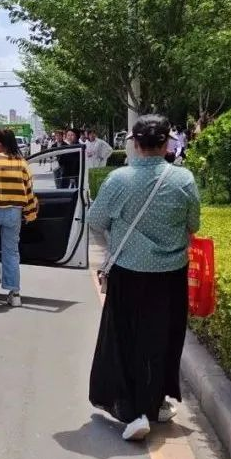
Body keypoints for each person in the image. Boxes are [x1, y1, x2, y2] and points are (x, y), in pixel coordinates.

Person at [87, 114, 201, 441]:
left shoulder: (118, 180)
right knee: (163, 338)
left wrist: (122, 231)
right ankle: (156, 402)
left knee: (124, 339)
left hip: (129, 274)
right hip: (171, 275)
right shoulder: (183, 179)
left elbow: (95, 220)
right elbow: (193, 224)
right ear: (167, 144)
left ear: (135, 144)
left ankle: (134, 411)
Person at [0, 127, 38, 308]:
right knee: (11, 252)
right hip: (13, 212)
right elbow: (29, 190)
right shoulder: (21, 163)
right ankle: (15, 294)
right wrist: (30, 212)